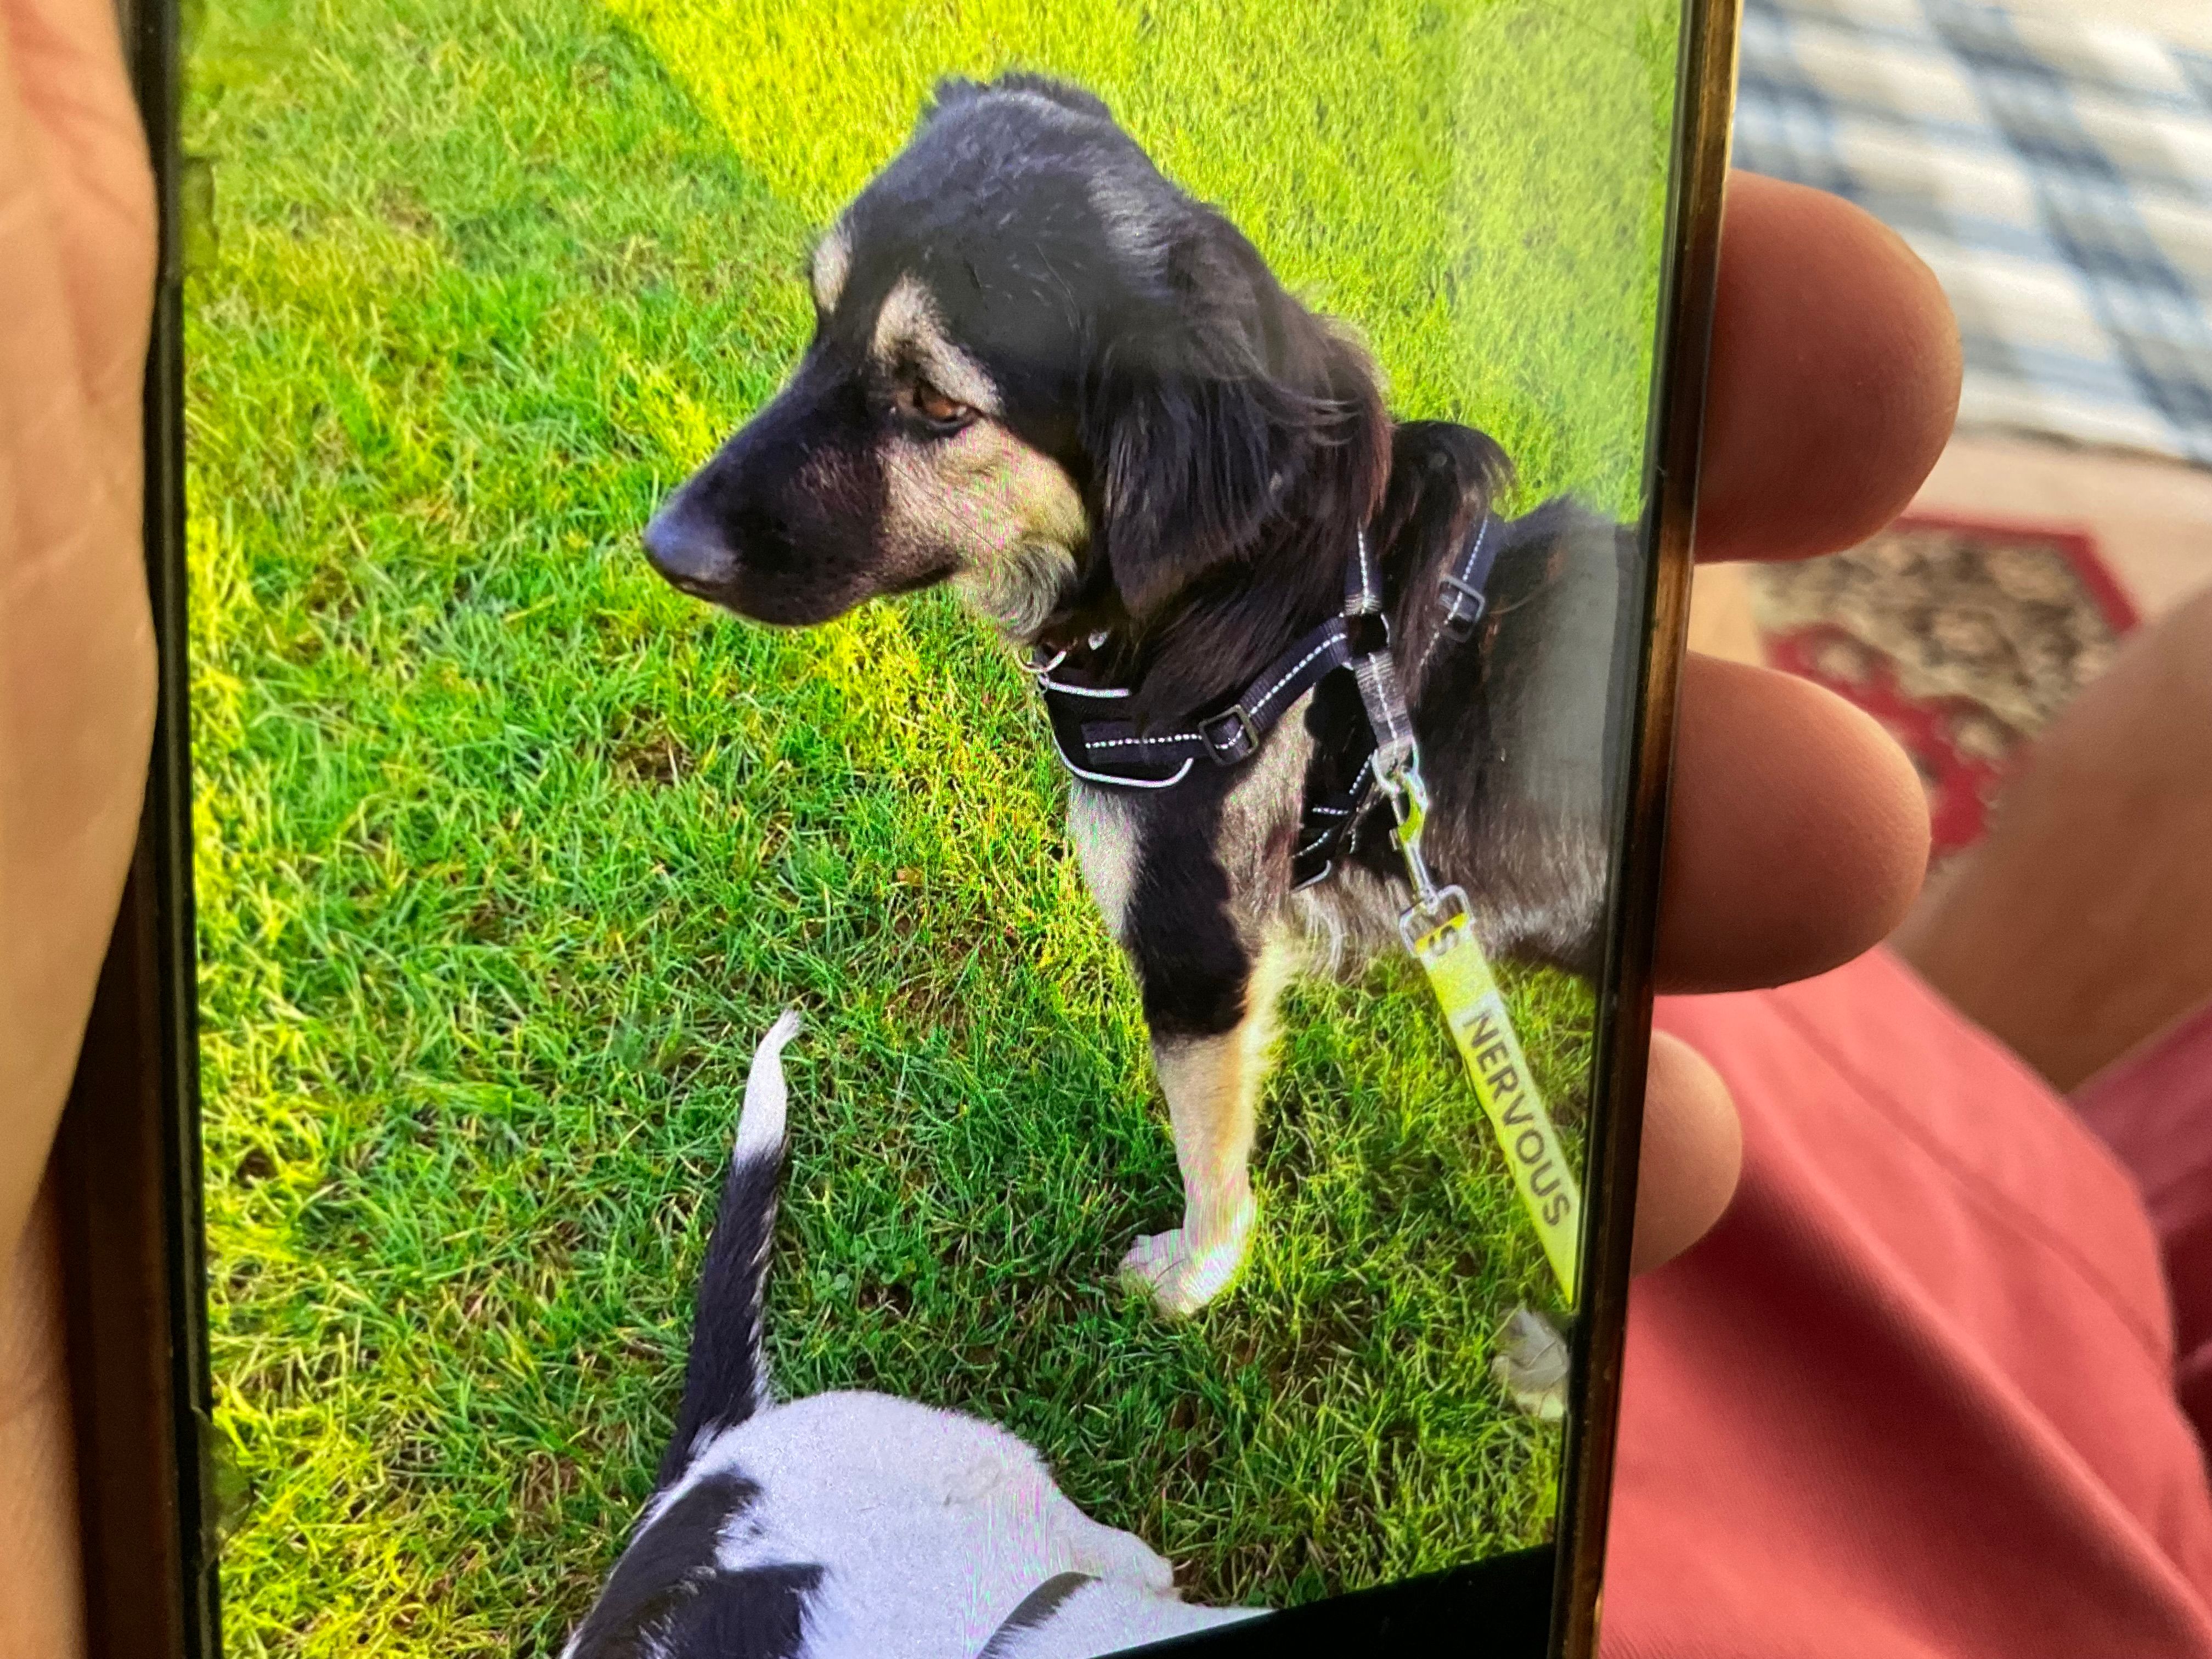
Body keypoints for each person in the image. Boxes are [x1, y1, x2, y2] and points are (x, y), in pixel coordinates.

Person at [1, 0, 2203, 1653]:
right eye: (835, 336)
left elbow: (1204, 975)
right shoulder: (1220, 515)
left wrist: (1208, 1213)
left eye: (923, 412)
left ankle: (1219, 1220)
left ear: (1168, 482)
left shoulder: (1182, 692)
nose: (716, 510)